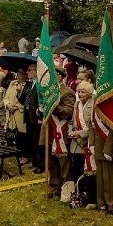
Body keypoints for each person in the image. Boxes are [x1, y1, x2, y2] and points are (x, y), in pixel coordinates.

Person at [42, 64, 77, 198]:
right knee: (52, 164)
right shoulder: (47, 92)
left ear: (60, 76)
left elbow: (68, 112)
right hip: (49, 132)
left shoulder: (67, 92)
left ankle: (66, 189)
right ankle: (55, 187)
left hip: (61, 133)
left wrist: (54, 106)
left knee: (65, 165)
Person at [21, 63, 43, 173]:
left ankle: (40, 164)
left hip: (36, 117)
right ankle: (34, 162)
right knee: (30, 140)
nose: (27, 72)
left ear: (35, 71)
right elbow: (22, 101)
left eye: (29, 70)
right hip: (28, 116)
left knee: (37, 141)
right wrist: (19, 92)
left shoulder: (40, 84)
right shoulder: (29, 84)